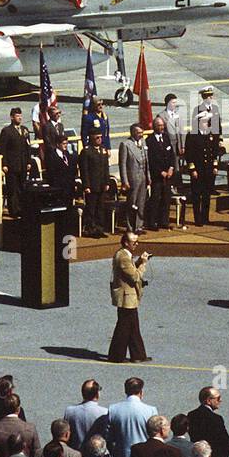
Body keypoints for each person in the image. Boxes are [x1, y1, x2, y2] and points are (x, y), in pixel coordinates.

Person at [109, 232, 151, 364]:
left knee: (132, 326)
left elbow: (131, 270)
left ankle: (138, 355)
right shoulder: (123, 257)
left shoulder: (126, 254)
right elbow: (134, 277)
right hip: (126, 296)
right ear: (126, 243)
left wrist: (138, 261)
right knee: (124, 327)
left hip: (129, 296)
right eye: (134, 242)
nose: (137, 244)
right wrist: (143, 264)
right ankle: (116, 356)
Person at [183, 125, 221, 226]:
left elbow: (215, 152)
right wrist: (192, 169)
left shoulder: (210, 135)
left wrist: (215, 166)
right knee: (196, 195)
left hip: (208, 170)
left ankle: (205, 217)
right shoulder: (192, 135)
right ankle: (198, 219)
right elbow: (189, 154)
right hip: (198, 170)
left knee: (206, 195)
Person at [79, 130, 115, 238]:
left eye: (100, 137)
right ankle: (91, 229)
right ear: (92, 138)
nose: (99, 140)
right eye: (97, 138)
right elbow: (84, 170)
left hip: (101, 184)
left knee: (100, 208)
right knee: (91, 209)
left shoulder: (103, 150)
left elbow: (105, 168)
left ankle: (100, 228)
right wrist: (86, 185)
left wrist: (107, 182)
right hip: (92, 185)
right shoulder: (86, 152)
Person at [0, 107, 31, 217]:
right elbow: (2, 148)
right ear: (12, 117)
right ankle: (14, 210)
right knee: (13, 189)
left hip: (22, 164)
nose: (20, 118)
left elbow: (28, 147)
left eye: (20, 115)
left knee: (22, 187)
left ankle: (22, 208)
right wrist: (4, 164)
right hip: (12, 165)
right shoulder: (7, 131)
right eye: (17, 116)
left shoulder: (24, 130)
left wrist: (28, 161)